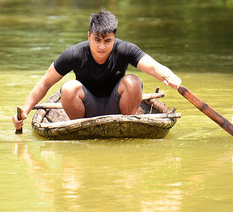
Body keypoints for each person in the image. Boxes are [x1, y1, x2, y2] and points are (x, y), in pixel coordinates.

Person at [12, 10, 183, 130]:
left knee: (133, 81)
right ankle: (79, 129)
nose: (102, 46)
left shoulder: (125, 49)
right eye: (97, 40)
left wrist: (170, 76)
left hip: (118, 107)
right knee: (69, 87)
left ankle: (127, 124)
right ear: (88, 36)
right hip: (86, 110)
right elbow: (45, 83)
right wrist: (25, 112)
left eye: (107, 41)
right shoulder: (74, 54)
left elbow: (152, 66)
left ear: (114, 39)